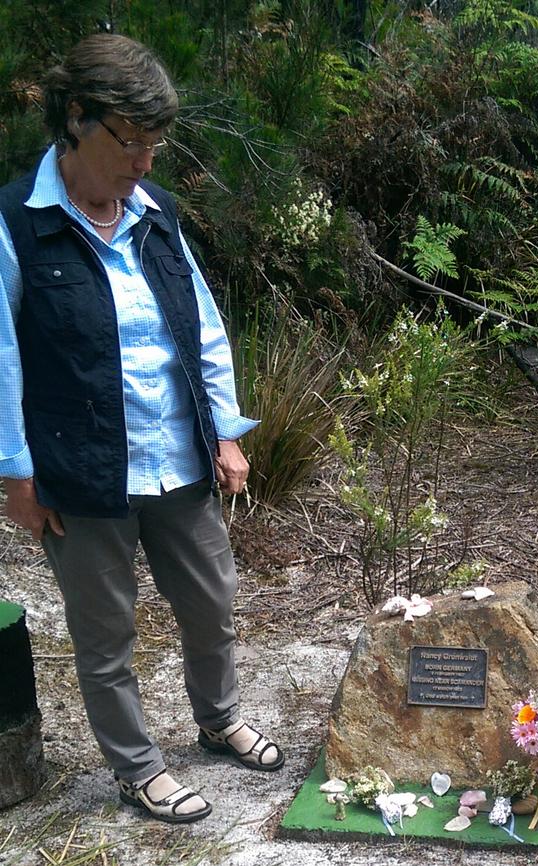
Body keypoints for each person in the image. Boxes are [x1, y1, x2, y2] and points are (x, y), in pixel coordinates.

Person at [0, 33, 284, 825]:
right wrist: (16, 477)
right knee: (105, 633)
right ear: (77, 119)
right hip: (81, 472)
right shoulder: (16, 226)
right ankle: (136, 768)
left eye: (155, 144)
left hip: (178, 456)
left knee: (211, 605)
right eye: (131, 143)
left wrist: (225, 432)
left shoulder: (156, 215)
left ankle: (218, 719)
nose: (146, 163)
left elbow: (202, 326)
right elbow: (1, 360)